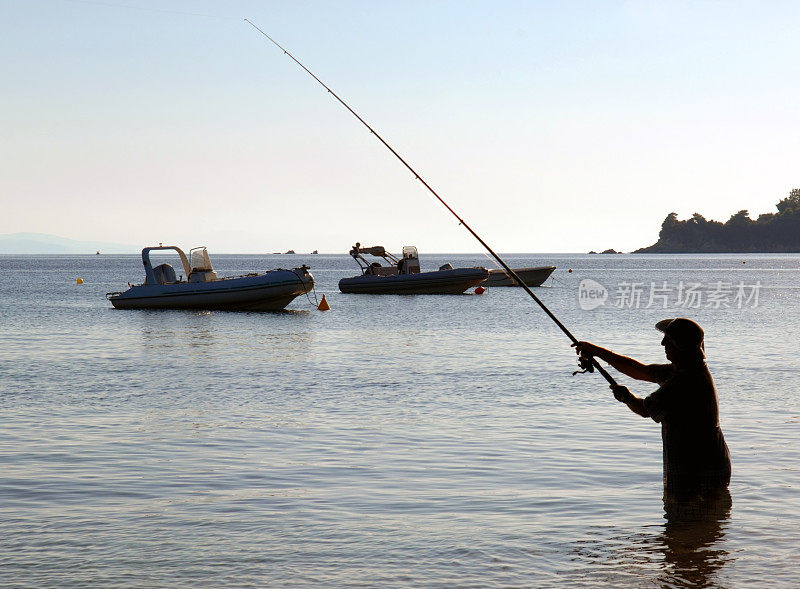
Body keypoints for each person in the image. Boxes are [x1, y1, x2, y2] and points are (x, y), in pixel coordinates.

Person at [574, 318, 731, 508]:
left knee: (684, 520)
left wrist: (626, 397)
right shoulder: (689, 369)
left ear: (681, 346)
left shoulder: (684, 381)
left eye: (668, 340)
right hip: (709, 466)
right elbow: (640, 370)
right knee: (697, 529)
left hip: (697, 470)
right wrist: (595, 351)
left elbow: (643, 409)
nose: (662, 343)